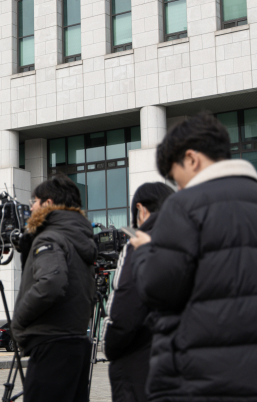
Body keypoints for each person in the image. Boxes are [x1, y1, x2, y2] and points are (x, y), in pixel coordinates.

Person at [130, 112, 257, 401]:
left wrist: (146, 251)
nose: (179, 188)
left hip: (200, 376)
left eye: (177, 179)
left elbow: (159, 287)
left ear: (191, 159)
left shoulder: (185, 206)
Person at [12, 174, 98, 402]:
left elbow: (51, 282)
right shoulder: (79, 238)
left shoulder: (50, 237)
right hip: (76, 343)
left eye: (34, 201)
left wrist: (18, 320)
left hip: (51, 345)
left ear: (48, 204)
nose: (31, 207)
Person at [103, 182, 174, 402]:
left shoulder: (137, 245)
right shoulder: (187, 242)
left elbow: (124, 308)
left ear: (141, 210)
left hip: (137, 364)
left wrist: (110, 346)